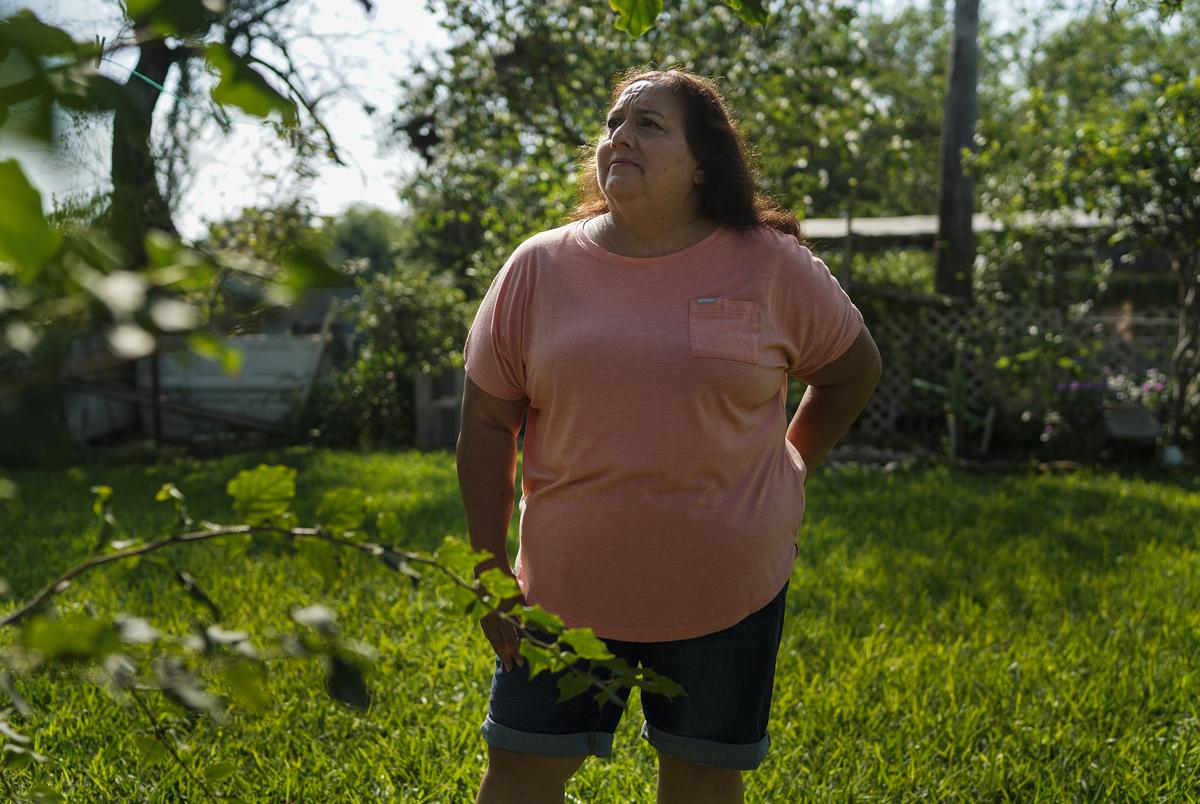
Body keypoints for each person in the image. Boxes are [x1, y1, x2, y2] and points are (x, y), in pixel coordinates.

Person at [457, 67, 881, 804]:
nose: (620, 135)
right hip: (562, 591)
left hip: (728, 589)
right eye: (615, 121)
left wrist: (792, 458)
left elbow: (853, 371)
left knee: (704, 782)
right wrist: (491, 570)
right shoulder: (539, 266)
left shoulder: (772, 266)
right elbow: (488, 423)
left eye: (649, 124)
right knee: (520, 774)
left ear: (703, 163)